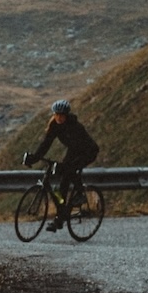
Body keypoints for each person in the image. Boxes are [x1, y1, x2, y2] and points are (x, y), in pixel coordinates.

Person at [23, 99, 100, 232]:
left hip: (88, 151)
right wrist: (34, 158)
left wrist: (64, 165)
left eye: (61, 115)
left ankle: (80, 193)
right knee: (61, 185)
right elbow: (45, 144)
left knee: (70, 170)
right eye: (56, 114)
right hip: (73, 150)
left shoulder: (75, 126)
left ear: (66, 115)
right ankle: (60, 217)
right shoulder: (54, 125)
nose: (58, 117)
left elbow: (78, 147)